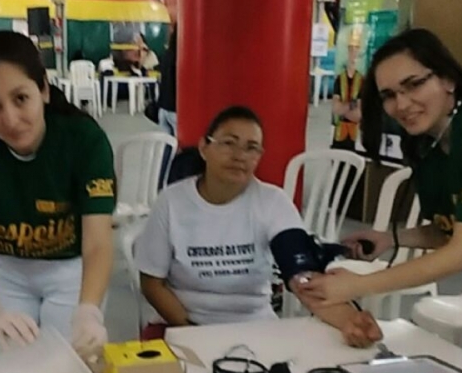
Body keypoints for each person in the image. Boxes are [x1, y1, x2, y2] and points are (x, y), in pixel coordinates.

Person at [135, 105, 383, 347]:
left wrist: (350, 321)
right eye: (229, 143)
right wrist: (194, 333)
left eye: (251, 148)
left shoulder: (273, 202)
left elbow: (302, 275)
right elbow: (152, 284)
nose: (239, 155)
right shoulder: (171, 202)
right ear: (204, 147)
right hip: (183, 325)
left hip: (255, 325)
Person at [0, 30, 115, 359]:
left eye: (21, 98)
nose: (10, 119)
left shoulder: (85, 141)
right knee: (17, 364)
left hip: (70, 268)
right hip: (8, 270)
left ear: (44, 90)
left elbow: (98, 241)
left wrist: (89, 309)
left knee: (67, 363)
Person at [302, 29, 462, 350]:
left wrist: (360, 285)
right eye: (389, 95)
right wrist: (391, 238)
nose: (402, 104)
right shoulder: (430, 148)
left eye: (414, 84)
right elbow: (449, 230)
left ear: (448, 80)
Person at [330, 39, 364, 151]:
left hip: (355, 136)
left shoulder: (362, 81)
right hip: (339, 134)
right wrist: (352, 105)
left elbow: (358, 115)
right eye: (351, 49)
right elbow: (335, 109)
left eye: (356, 49)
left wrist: (343, 110)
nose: (353, 53)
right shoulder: (340, 79)